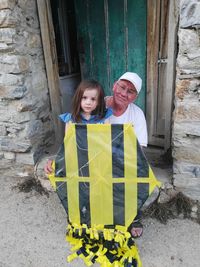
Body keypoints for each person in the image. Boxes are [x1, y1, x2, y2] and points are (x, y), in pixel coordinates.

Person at [45, 72, 147, 238]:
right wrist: (56, 161)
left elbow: (140, 149)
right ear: (114, 86)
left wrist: (122, 163)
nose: (124, 93)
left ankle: (131, 217)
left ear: (135, 97)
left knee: (135, 173)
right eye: (122, 87)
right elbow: (69, 144)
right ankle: (84, 214)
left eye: (130, 91)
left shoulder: (136, 114)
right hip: (90, 159)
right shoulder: (98, 105)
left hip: (119, 159)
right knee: (79, 176)